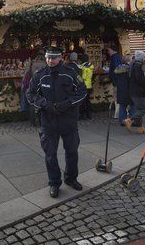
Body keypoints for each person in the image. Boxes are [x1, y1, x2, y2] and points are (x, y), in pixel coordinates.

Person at [26, 46, 87, 198]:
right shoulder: (40, 75)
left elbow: (82, 92)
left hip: (68, 120)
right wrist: (44, 104)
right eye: (47, 58)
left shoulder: (70, 73)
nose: (50, 61)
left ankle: (71, 178)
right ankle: (54, 183)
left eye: (53, 58)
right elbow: (30, 93)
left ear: (60, 58)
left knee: (72, 152)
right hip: (48, 121)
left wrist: (67, 104)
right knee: (50, 155)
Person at [124, 50, 145, 134]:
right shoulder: (138, 66)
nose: (144, 59)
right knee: (143, 110)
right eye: (144, 57)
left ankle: (140, 128)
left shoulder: (132, 64)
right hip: (138, 92)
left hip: (133, 91)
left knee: (139, 109)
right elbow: (140, 80)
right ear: (141, 58)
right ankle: (129, 120)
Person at [21, 48, 46, 125]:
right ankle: (41, 121)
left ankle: (33, 122)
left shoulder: (32, 63)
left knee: (31, 104)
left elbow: (26, 74)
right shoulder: (46, 64)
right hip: (42, 86)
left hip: (31, 85)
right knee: (41, 103)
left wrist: (23, 86)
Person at [114, 54, 135, 126]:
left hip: (120, 90)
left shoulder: (118, 68)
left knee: (122, 106)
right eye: (131, 59)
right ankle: (132, 120)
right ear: (128, 61)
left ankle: (122, 121)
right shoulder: (129, 69)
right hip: (128, 90)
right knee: (133, 105)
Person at [79, 54, 94, 120]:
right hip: (89, 85)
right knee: (87, 101)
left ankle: (83, 115)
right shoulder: (91, 66)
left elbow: (83, 77)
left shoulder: (84, 67)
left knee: (83, 101)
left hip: (84, 85)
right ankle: (89, 115)